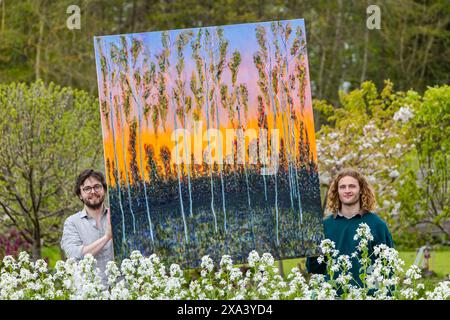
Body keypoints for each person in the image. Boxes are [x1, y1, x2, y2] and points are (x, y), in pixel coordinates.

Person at [306, 168, 394, 289]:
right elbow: (315, 268)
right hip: (332, 295)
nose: (347, 190)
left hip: (366, 295)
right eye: (342, 187)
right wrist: (310, 244)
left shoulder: (377, 225)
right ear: (337, 191)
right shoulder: (324, 226)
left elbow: (387, 268)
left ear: (361, 190)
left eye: (352, 186)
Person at [61, 169, 113, 287]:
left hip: (121, 290)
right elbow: (76, 255)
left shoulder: (118, 216)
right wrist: (107, 237)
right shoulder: (71, 223)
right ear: (80, 194)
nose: (93, 191)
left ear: (104, 189)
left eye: (97, 187)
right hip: (89, 292)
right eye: (87, 189)